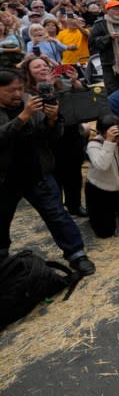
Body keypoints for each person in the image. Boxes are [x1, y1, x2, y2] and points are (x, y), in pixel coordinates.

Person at [0, 70, 95, 274]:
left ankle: (77, 254)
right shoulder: (26, 108)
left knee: (57, 215)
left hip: (37, 173)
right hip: (5, 179)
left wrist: (52, 120)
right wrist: (23, 117)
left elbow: (51, 137)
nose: (17, 94)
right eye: (11, 90)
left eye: (20, 88)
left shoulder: (30, 101)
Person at [22, 55, 89, 217]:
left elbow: (83, 100)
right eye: (37, 67)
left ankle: (74, 205)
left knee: (74, 173)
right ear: (29, 73)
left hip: (71, 134)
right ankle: (59, 209)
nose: (43, 68)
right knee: (55, 176)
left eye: (45, 65)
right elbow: (41, 113)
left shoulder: (62, 83)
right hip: (49, 138)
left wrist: (74, 81)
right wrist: (47, 87)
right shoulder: (26, 92)